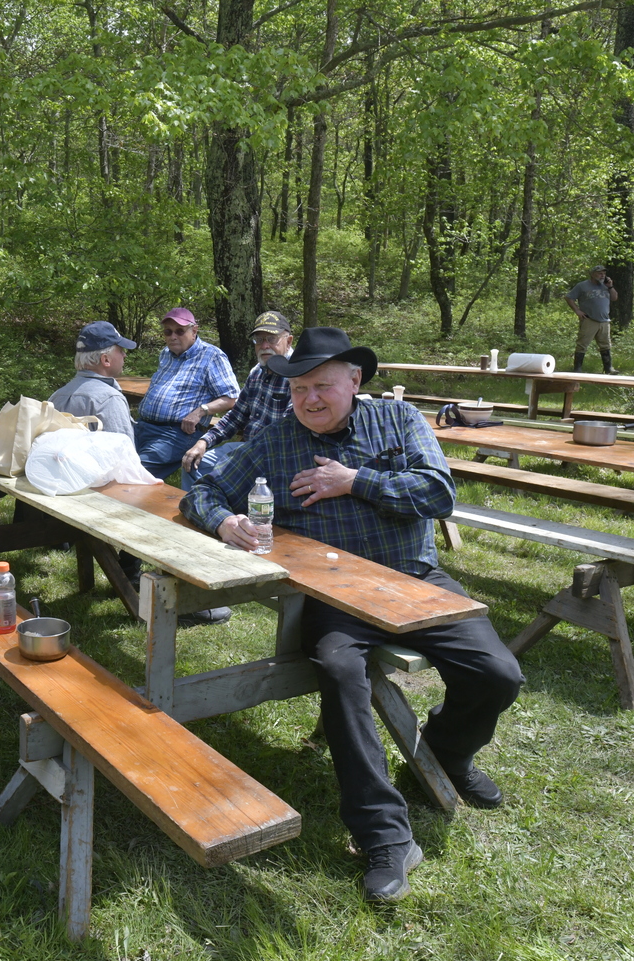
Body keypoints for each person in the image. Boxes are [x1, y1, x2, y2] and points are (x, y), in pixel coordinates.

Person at [180, 327, 524, 903]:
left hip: (413, 580)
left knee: (498, 674)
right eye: (299, 390)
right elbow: (202, 490)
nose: (309, 399)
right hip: (334, 596)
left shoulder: (400, 421)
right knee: (342, 674)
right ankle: (384, 836)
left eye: (322, 386)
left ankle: (447, 751)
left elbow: (440, 494)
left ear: (355, 381)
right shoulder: (274, 438)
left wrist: (356, 480)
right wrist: (223, 522)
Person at [179, 310, 294, 490]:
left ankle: (224, 511)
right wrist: (203, 442)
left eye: (271, 339)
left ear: (288, 341)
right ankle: (196, 512)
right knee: (194, 463)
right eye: (259, 340)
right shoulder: (257, 372)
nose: (264, 345)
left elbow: (288, 432)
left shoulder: (298, 375)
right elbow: (236, 416)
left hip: (278, 458)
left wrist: (247, 455)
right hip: (248, 449)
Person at [133, 307, 238, 481]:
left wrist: (200, 411)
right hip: (143, 427)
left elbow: (231, 398)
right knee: (117, 464)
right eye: (168, 332)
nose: (173, 336)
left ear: (194, 330)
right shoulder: (166, 354)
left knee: (135, 474)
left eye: (179, 331)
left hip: (175, 434)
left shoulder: (212, 356)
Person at [48, 320, 137, 438]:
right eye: (120, 350)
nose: (124, 355)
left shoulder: (56, 398)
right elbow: (123, 452)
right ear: (105, 360)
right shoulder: (110, 400)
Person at [564, 265, 619, 374]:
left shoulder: (606, 286)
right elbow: (569, 297)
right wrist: (577, 311)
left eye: (604, 273)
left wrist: (610, 287)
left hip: (604, 321)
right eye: (599, 273)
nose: (602, 275)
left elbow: (614, 298)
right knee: (582, 344)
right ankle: (578, 368)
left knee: (605, 345)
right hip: (589, 320)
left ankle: (608, 368)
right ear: (593, 274)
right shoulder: (582, 286)